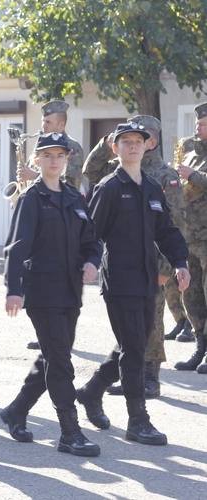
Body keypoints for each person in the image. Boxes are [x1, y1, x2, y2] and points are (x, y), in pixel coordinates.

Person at [76, 122, 189, 446]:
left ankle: (91, 390)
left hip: (146, 277)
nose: (133, 146)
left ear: (148, 145)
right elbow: (91, 233)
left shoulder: (152, 187)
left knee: (137, 341)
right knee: (136, 349)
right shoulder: (110, 188)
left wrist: (180, 263)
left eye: (138, 141)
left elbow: (165, 230)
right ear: (116, 148)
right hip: (120, 279)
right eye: (125, 142)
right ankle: (138, 420)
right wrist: (88, 263)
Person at [1, 133, 102, 457]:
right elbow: (16, 247)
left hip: (70, 291)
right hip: (42, 291)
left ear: (67, 159)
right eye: (47, 156)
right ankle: (70, 432)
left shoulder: (75, 197)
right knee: (60, 360)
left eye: (59, 155)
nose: (54, 160)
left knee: (52, 355)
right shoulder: (32, 198)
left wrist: (91, 261)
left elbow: (92, 240)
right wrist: (13, 290)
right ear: (37, 161)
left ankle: (16, 410)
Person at [174, 101, 207, 373]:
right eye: (198, 123)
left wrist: (194, 175)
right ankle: (200, 346)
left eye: (204, 124)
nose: (199, 127)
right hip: (190, 236)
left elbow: (196, 179)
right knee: (191, 294)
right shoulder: (191, 153)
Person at [18, 100, 84, 190]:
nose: (43, 126)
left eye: (48, 122)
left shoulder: (73, 147)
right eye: (43, 121)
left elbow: (71, 185)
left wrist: (36, 176)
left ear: (61, 125)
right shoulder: (40, 143)